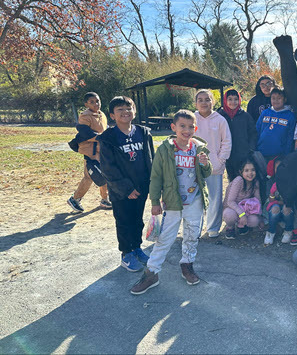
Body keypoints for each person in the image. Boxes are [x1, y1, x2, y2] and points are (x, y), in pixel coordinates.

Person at [130, 110, 212, 294]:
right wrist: (154, 201)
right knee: (164, 238)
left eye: (191, 126)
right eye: (182, 126)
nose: (187, 130)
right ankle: (152, 272)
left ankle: (187, 265)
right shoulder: (165, 149)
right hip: (172, 203)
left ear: (195, 128)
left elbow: (206, 173)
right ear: (173, 127)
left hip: (195, 201)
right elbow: (156, 176)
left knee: (192, 235)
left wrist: (205, 164)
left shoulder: (199, 148)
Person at [97, 96, 154, 272]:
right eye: (120, 109)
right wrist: (126, 188)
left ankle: (137, 247)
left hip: (141, 187)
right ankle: (126, 253)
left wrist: (152, 184)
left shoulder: (143, 133)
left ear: (134, 111)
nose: (125, 112)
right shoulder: (107, 138)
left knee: (137, 220)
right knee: (124, 220)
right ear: (112, 115)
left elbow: (151, 159)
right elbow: (108, 167)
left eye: (128, 108)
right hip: (121, 190)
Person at [194, 89, 232, 238]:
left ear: (213, 102)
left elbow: (227, 141)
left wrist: (220, 160)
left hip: (214, 166)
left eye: (207, 99)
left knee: (214, 197)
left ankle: (213, 227)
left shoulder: (220, 119)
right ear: (196, 103)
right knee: (195, 197)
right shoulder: (192, 118)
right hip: (194, 166)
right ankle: (195, 228)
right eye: (200, 100)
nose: (204, 103)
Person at [67, 92, 111, 213]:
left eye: (97, 101)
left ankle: (104, 199)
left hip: (101, 150)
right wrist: (102, 137)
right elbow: (85, 134)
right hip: (90, 151)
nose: (96, 104)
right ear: (86, 104)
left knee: (104, 174)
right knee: (89, 177)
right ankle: (74, 199)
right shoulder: (85, 116)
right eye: (92, 102)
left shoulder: (102, 114)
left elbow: (104, 130)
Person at [218, 89, 257, 182]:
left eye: (235, 99)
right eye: (230, 99)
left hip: (243, 153)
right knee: (232, 178)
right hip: (227, 154)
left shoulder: (245, 116)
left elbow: (253, 133)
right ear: (225, 101)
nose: (233, 102)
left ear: (239, 100)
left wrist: (250, 148)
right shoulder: (220, 116)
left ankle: (245, 196)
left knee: (243, 178)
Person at [223, 158, 263, 239]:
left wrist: (261, 218)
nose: (250, 173)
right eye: (246, 170)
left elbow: (258, 201)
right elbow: (230, 202)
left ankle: (242, 226)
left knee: (255, 220)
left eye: (252, 170)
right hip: (232, 208)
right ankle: (230, 227)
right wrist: (242, 214)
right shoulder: (239, 181)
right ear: (241, 172)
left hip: (245, 209)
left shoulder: (255, 182)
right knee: (230, 215)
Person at [256, 88, 296, 162]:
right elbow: (257, 130)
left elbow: (290, 137)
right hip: (261, 151)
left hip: (279, 155)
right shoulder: (265, 113)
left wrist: (286, 154)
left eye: (279, 98)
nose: (276, 101)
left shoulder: (290, 116)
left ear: (285, 99)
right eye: (273, 98)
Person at [264, 158, 296, 245]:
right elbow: (270, 200)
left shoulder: (291, 181)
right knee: (275, 208)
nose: (279, 171)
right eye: (277, 168)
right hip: (274, 205)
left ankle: (288, 230)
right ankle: (271, 232)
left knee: (286, 208)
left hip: (286, 205)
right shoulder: (270, 181)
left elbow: (290, 200)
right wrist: (272, 191)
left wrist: (279, 202)